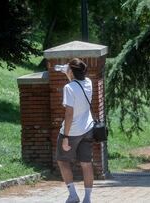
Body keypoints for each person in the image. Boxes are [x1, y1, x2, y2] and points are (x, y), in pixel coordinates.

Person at [56, 58, 94, 203]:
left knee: (62, 161)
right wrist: (69, 73)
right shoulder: (88, 82)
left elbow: (69, 113)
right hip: (88, 129)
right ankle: (87, 199)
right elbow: (76, 85)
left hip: (72, 132)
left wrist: (65, 136)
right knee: (86, 163)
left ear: (71, 71)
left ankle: (73, 195)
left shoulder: (69, 88)